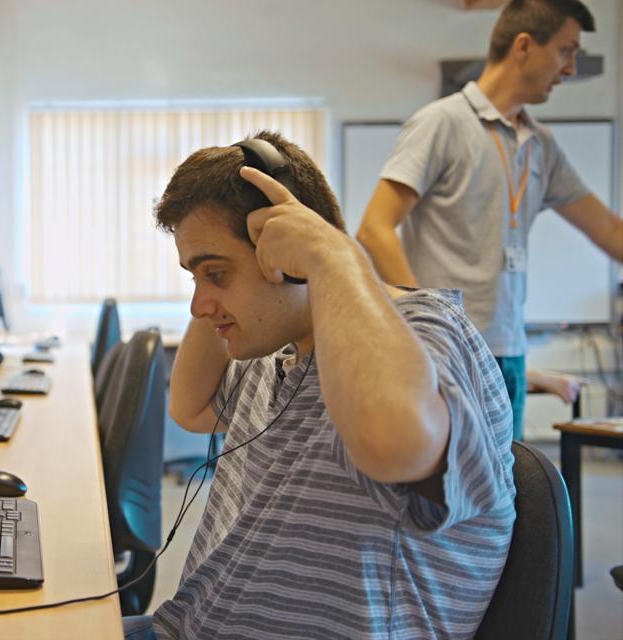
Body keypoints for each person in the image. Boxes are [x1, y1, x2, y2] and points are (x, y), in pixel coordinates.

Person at [134, 131, 514, 639]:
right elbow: (190, 405)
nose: (197, 306)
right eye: (194, 277)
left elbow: (395, 445)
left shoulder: (422, 331)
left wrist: (334, 255)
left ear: (290, 259)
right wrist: (216, 274)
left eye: (217, 274)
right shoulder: (277, 353)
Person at [356, 0, 622, 440]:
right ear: (523, 46)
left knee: (505, 498)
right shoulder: (441, 123)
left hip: (509, 352)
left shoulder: (540, 144)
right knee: (452, 501)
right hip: (449, 354)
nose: (571, 68)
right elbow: (375, 227)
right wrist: (430, 329)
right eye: (565, 50)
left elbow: (609, 229)